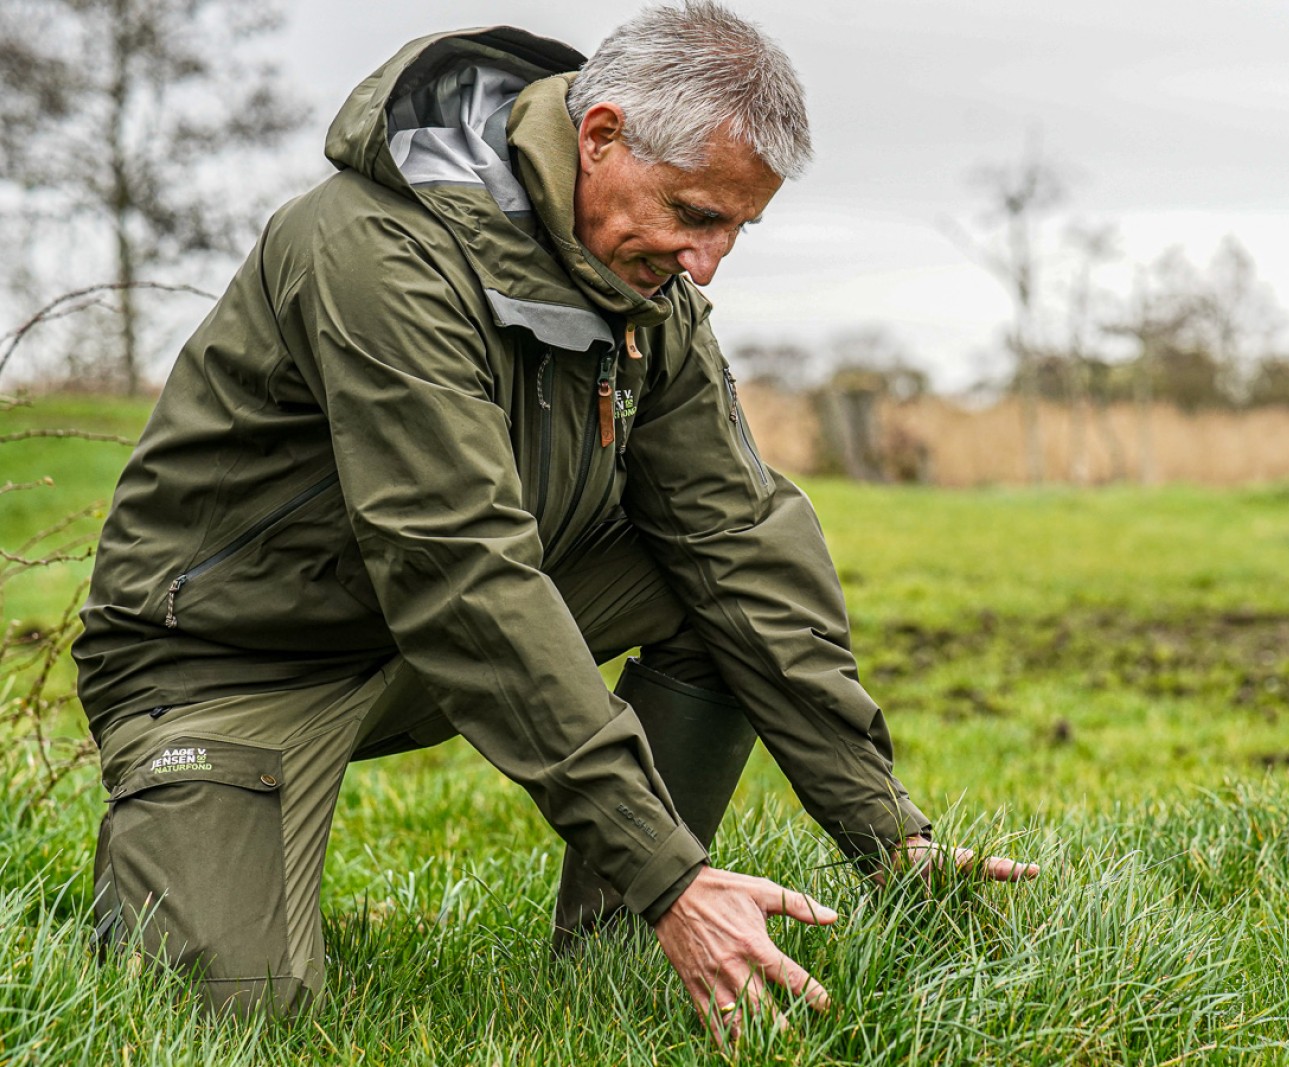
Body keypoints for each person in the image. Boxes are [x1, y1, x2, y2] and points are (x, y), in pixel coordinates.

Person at [74, 1, 1037, 1037]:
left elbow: (741, 541)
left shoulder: (643, 285)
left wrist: (884, 828)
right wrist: (675, 866)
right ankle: (666, 897)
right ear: (601, 136)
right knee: (223, 1018)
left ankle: (615, 951)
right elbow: (459, 570)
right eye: (693, 214)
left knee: (714, 591)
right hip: (236, 657)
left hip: (424, 629)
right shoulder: (376, 253)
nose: (706, 262)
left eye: (734, 230)